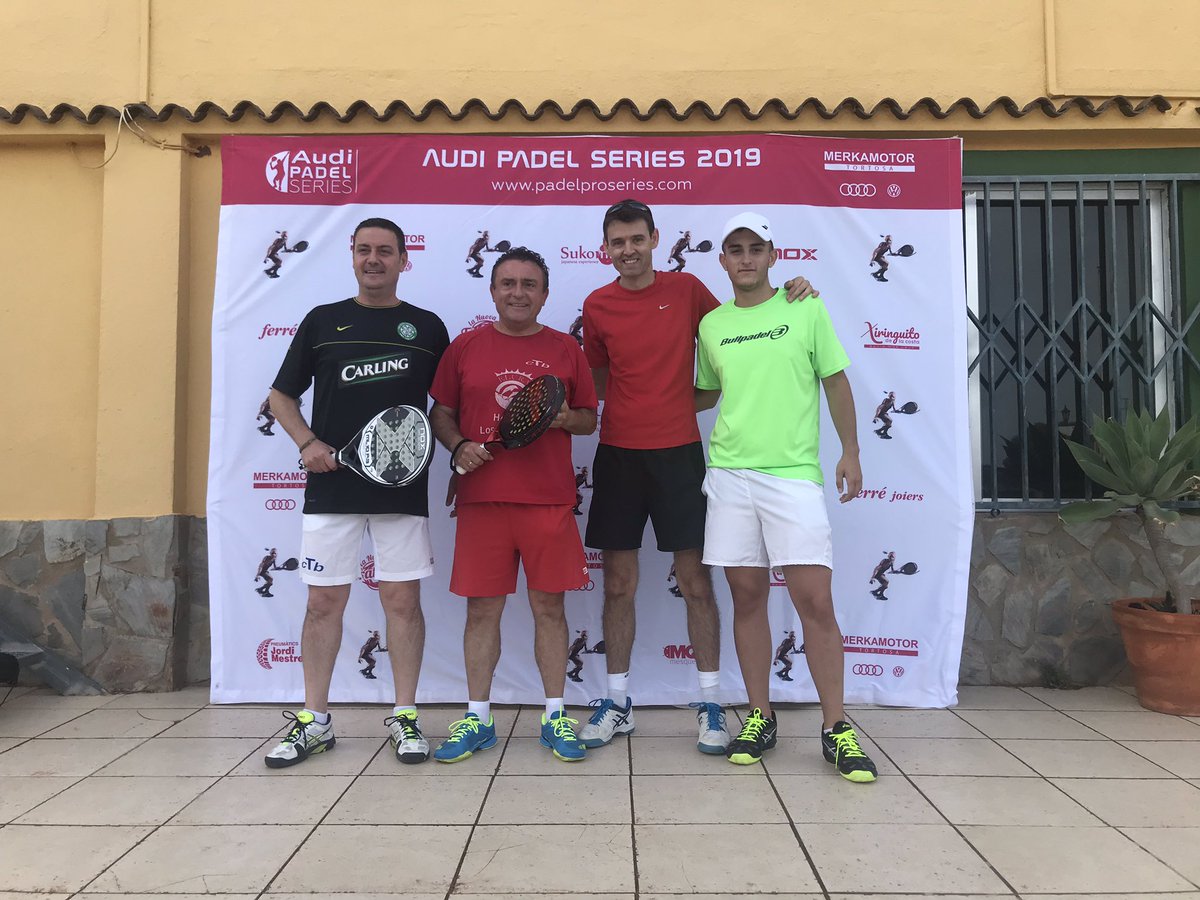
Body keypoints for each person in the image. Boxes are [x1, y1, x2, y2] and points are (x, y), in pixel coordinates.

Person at [579, 198, 817, 755]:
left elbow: (746, 317)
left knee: (695, 583)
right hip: (617, 454)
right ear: (606, 249)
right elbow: (601, 379)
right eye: (618, 242)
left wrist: (792, 289)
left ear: (655, 239)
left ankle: (711, 704)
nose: (629, 250)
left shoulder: (687, 291)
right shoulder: (596, 304)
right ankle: (616, 703)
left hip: (681, 455)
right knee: (618, 583)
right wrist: (639, 405)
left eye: (637, 239)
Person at [694, 211, 877, 782]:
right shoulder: (711, 326)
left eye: (755, 248)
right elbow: (703, 394)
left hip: (793, 475)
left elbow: (836, 381)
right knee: (746, 598)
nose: (745, 258)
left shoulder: (805, 307)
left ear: (773, 256)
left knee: (814, 602)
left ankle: (836, 727)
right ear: (722, 260)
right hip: (728, 476)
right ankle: (760, 716)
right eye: (734, 249)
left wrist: (850, 451)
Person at [262, 217, 450, 769]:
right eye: (365, 250)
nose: (374, 259)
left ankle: (407, 718)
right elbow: (280, 397)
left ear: (403, 259)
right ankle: (314, 722)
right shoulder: (323, 322)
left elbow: (444, 408)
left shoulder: (428, 327)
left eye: (385, 251)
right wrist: (307, 443)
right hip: (332, 488)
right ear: (351, 256)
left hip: (401, 489)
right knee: (324, 603)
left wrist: (459, 449)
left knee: (402, 602)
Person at [429, 246, 598, 763]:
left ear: (545, 294)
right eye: (508, 283)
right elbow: (442, 413)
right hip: (482, 501)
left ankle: (555, 718)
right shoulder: (465, 347)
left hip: (547, 501)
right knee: (483, 612)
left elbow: (589, 418)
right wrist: (458, 447)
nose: (518, 292)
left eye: (529, 284)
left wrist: (558, 418)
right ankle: (478, 719)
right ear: (493, 290)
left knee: (550, 608)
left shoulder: (567, 349)